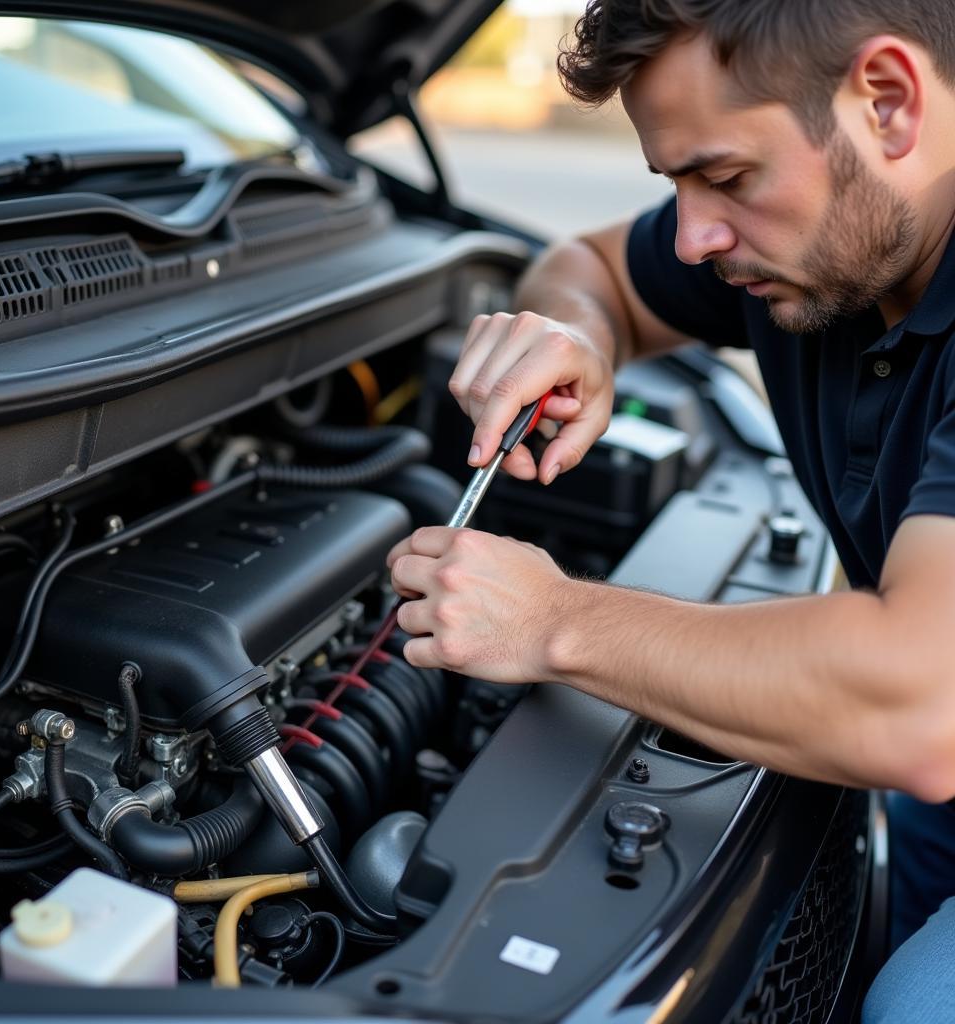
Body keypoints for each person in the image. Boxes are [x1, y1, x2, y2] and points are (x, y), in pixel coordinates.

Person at [385, 0, 955, 1018]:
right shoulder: (816, 245)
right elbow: (588, 267)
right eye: (674, 183)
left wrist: (555, 620)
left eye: (727, 176)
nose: (693, 237)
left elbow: (923, 706)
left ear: (887, 101)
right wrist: (578, 339)